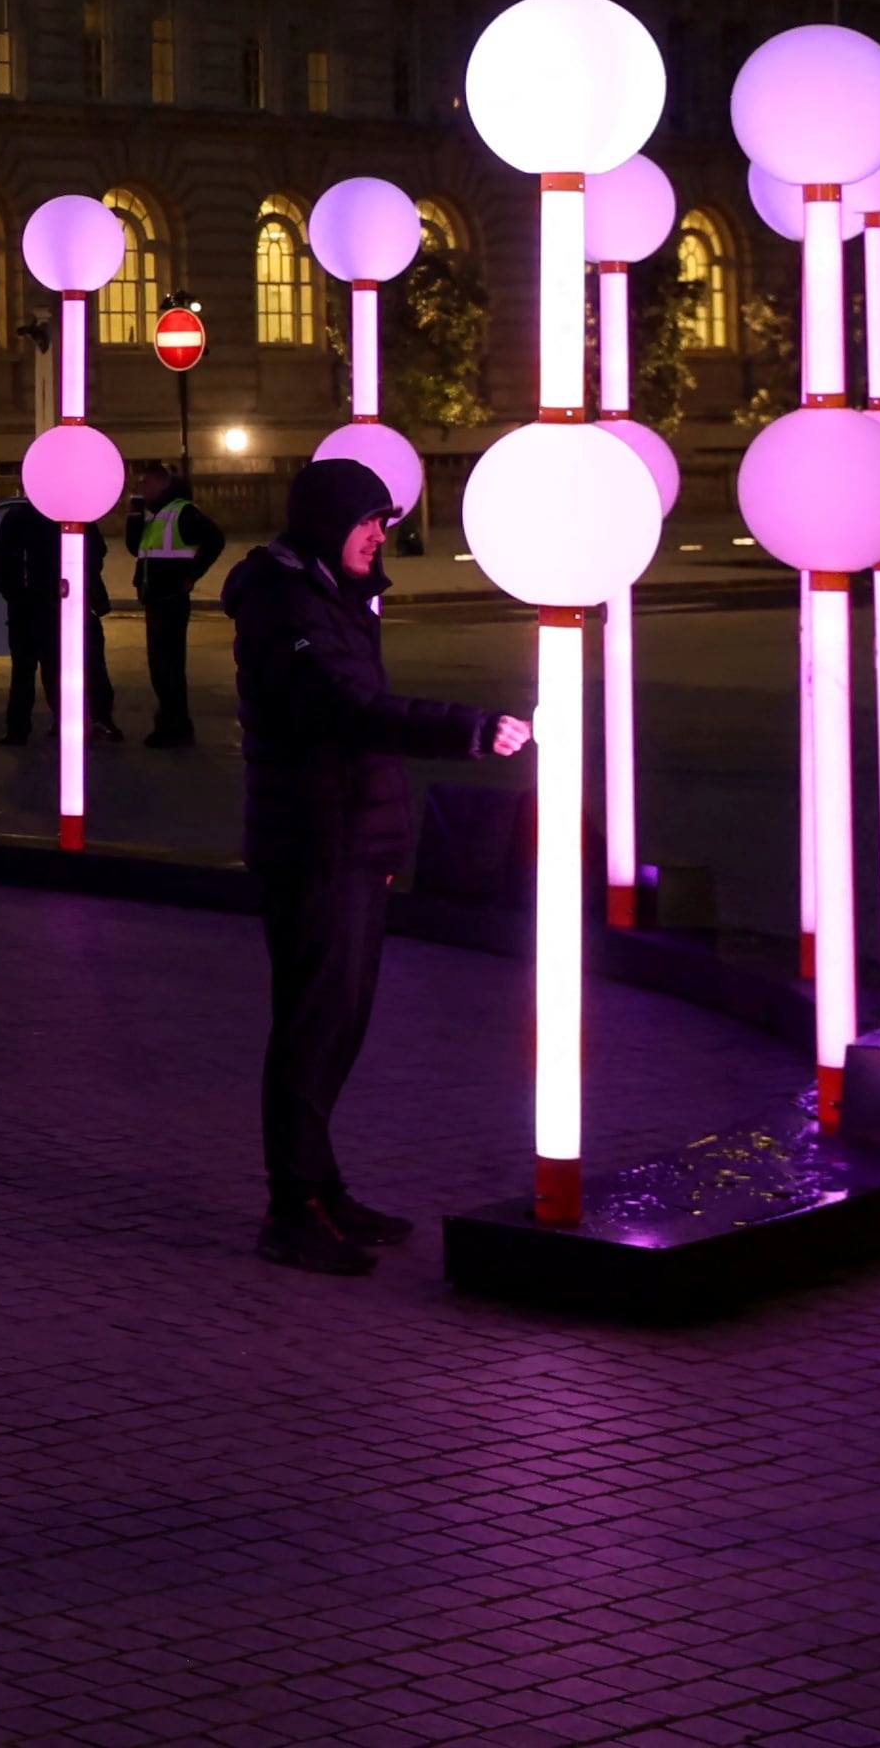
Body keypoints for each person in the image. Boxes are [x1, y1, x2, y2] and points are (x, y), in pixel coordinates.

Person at [224, 453, 526, 1274]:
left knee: (339, 1026)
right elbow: (342, 708)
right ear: (328, 522)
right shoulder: (286, 600)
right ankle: (293, 1209)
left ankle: (322, 1189)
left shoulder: (334, 596)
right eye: (366, 522)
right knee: (313, 1029)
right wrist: (465, 729)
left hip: (350, 841)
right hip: (314, 846)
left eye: (383, 525)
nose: (376, 537)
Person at [0, 490, 115, 743]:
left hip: (29, 605)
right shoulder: (69, 514)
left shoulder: (19, 516)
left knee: (25, 670)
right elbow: (95, 552)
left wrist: (14, 594)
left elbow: (0, 562)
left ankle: (20, 728)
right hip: (56, 603)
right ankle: (66, 721)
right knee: (56, 667)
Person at [128, 462, 227, 746]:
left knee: (168, 666)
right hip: (154, 597)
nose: (141, 488)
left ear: (162, 483)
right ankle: (171, 723)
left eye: (146, 483)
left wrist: (192, 575)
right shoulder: (152, 514)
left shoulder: (183, 511)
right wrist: (134, 515)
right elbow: (135, 548)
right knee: (159, 666)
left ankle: (175, 726)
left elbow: (215, 540)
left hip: (170, 598)